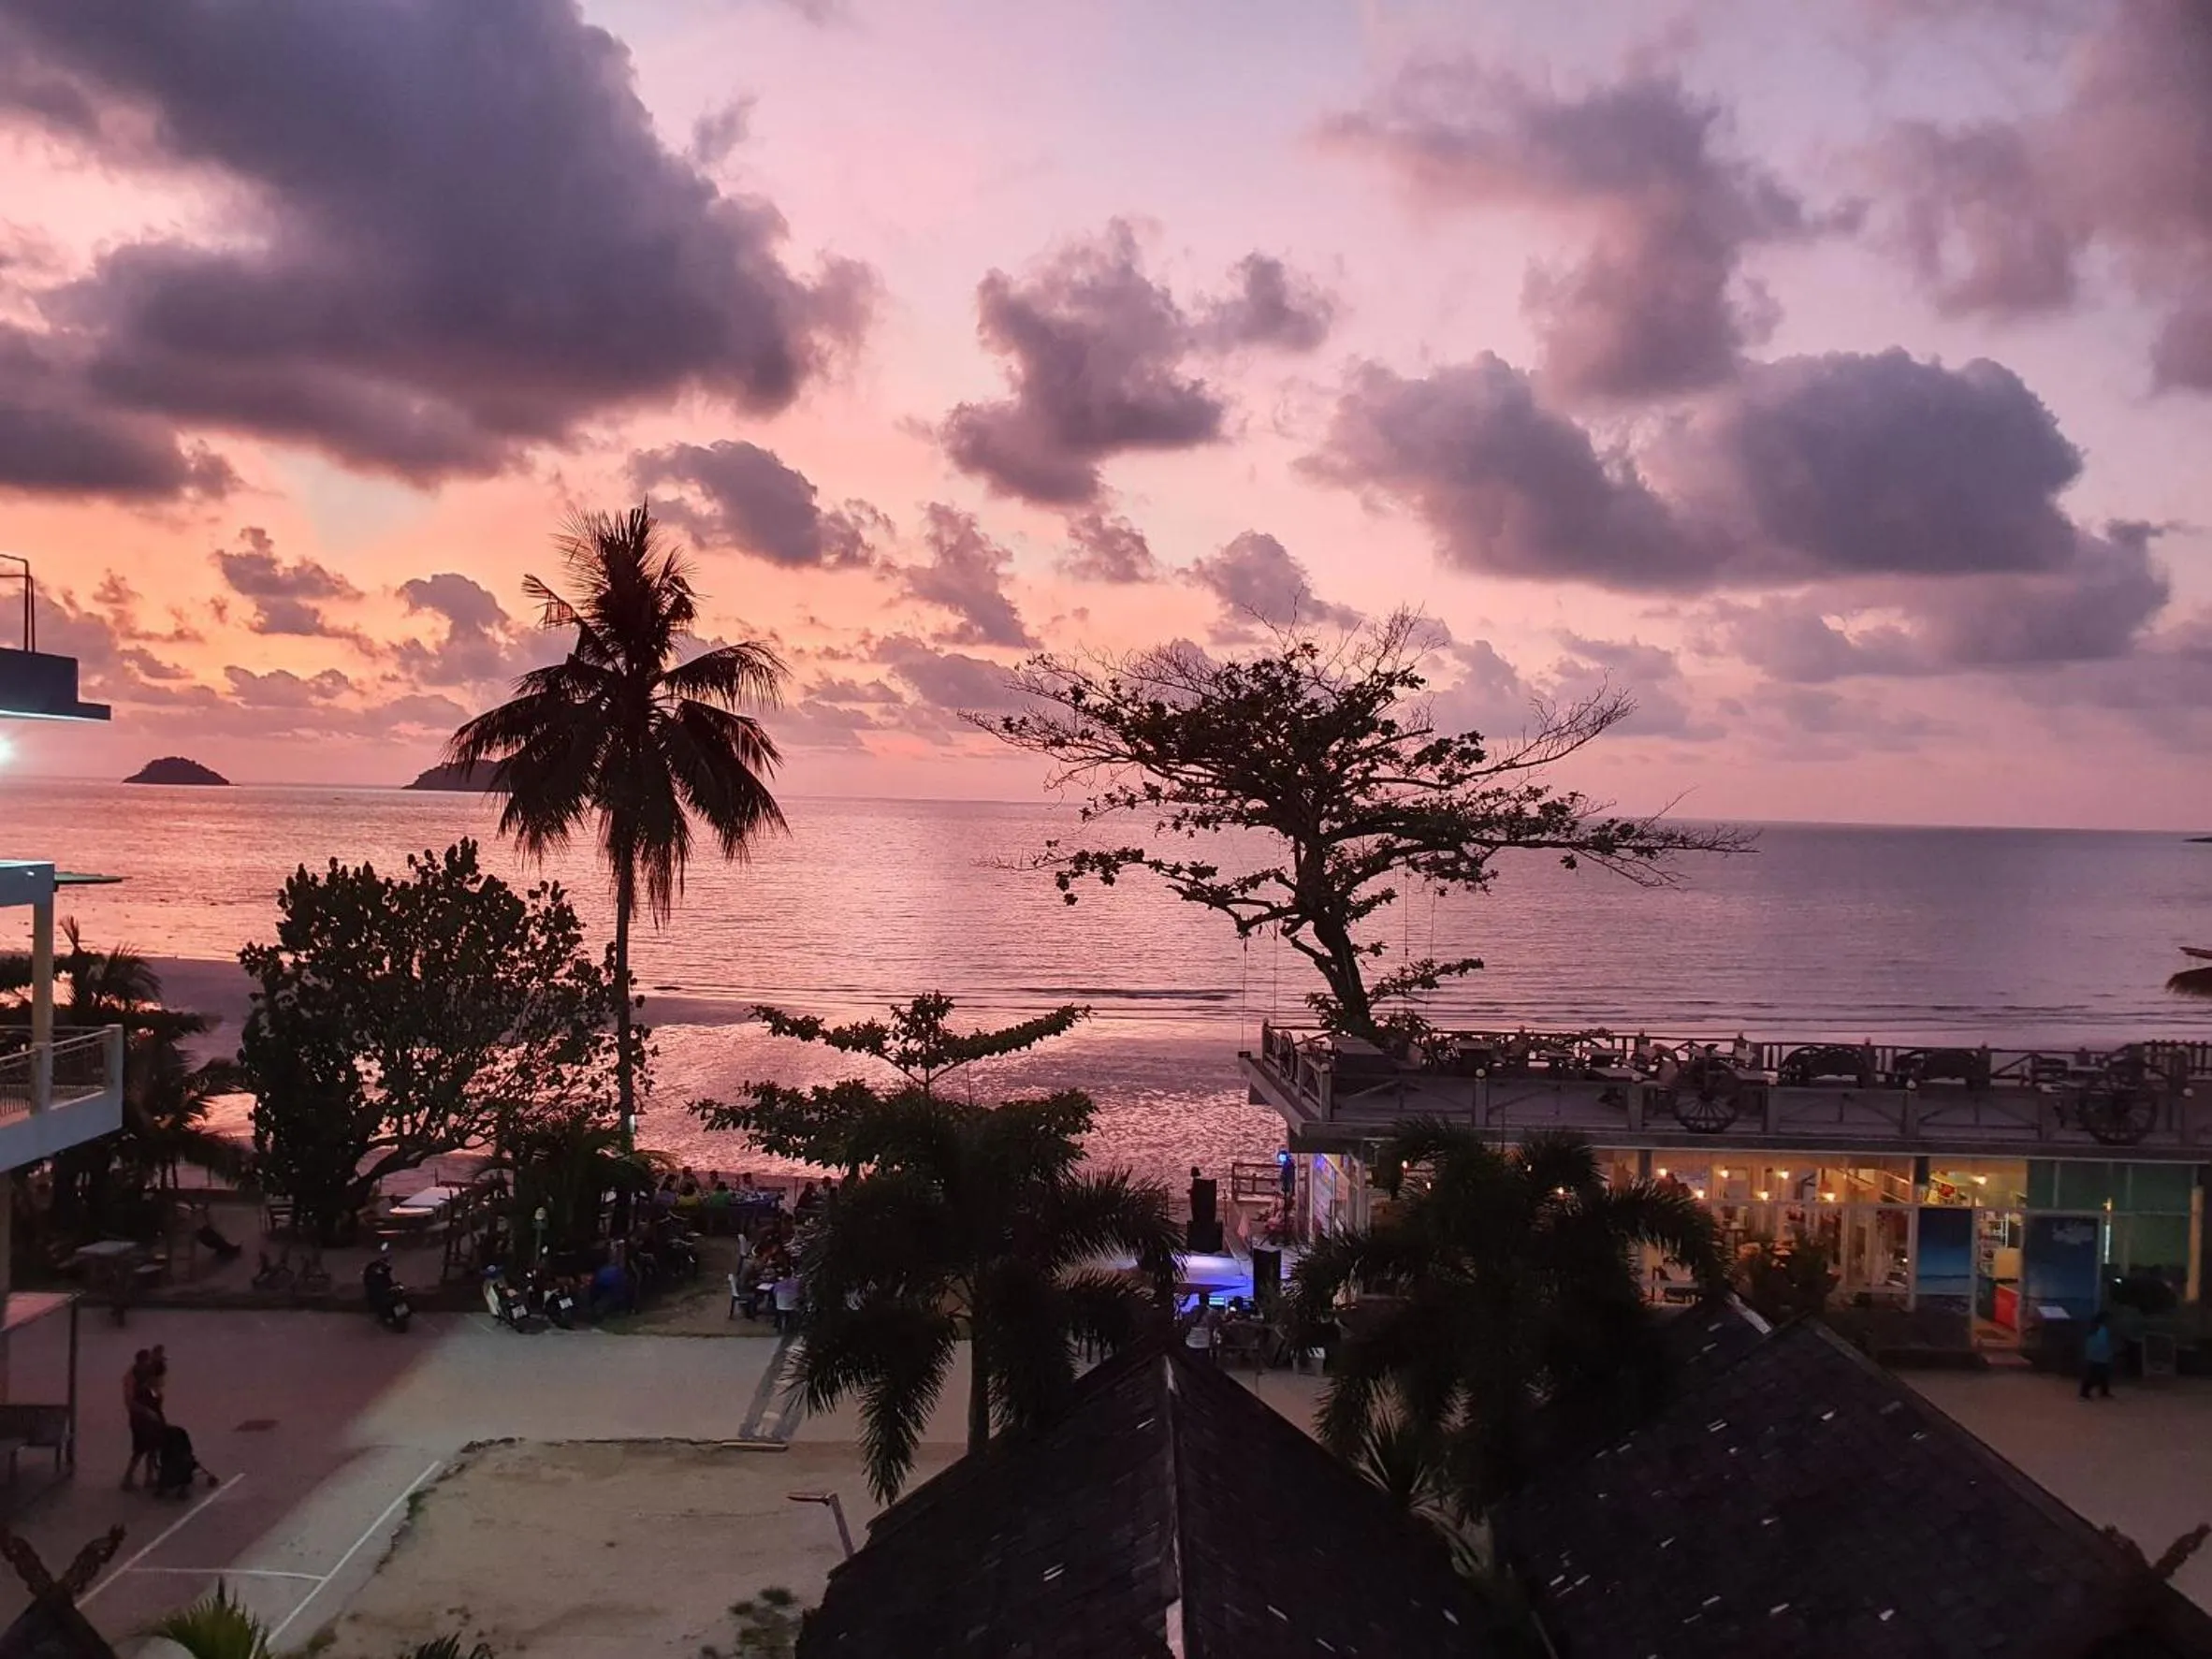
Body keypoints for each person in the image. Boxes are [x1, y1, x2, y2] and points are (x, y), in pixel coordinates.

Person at [2080, 1312, 2116, 1401]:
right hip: (2099, 1356)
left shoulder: (2094, 1329)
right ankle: (2084, 1393)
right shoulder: (2102, 1330)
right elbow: (2102, 1344)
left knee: (2101, 1375)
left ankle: (2103, 1392)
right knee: (2096, 1375)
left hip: (2094, 1356)